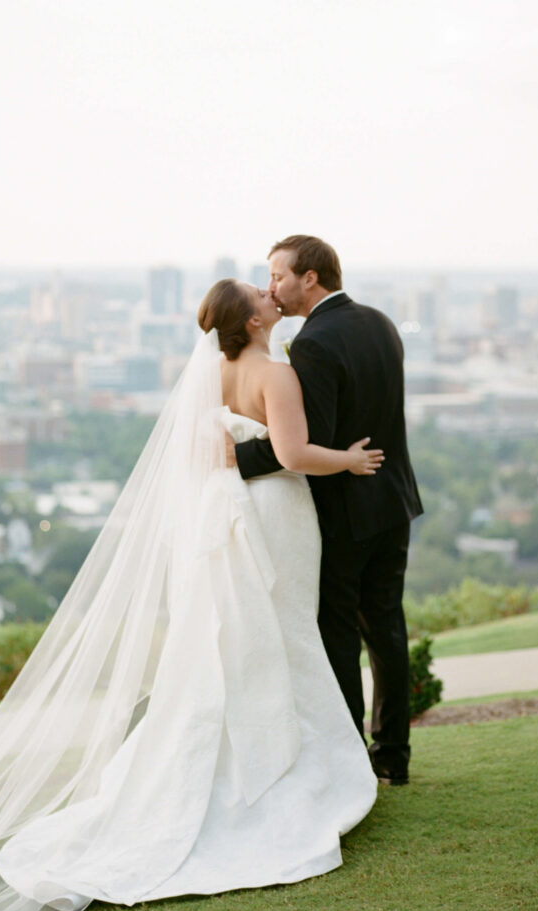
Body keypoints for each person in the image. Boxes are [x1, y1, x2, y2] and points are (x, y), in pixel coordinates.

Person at [0, 276, 383, 911]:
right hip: (275, 517)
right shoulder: (275, 372)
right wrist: (351, 460)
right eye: (261, 297)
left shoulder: (218, 371)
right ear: (252, 319)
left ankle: (254, 758)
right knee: (280, 633)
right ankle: (287, 774)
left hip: (227, 516)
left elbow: (211, 457)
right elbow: (292, 456)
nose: (271, 296)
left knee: (237, 644)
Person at [231, 236, 423, 786]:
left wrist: (231, 457)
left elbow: (302, 443)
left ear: (309, 278)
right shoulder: (382, 322)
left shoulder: (312, 343)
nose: (272, 287)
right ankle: (393, 755)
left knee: (338, 633)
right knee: (387, 629)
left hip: (345, 511)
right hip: (394, 500)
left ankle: (349, 761)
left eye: (277, 276)